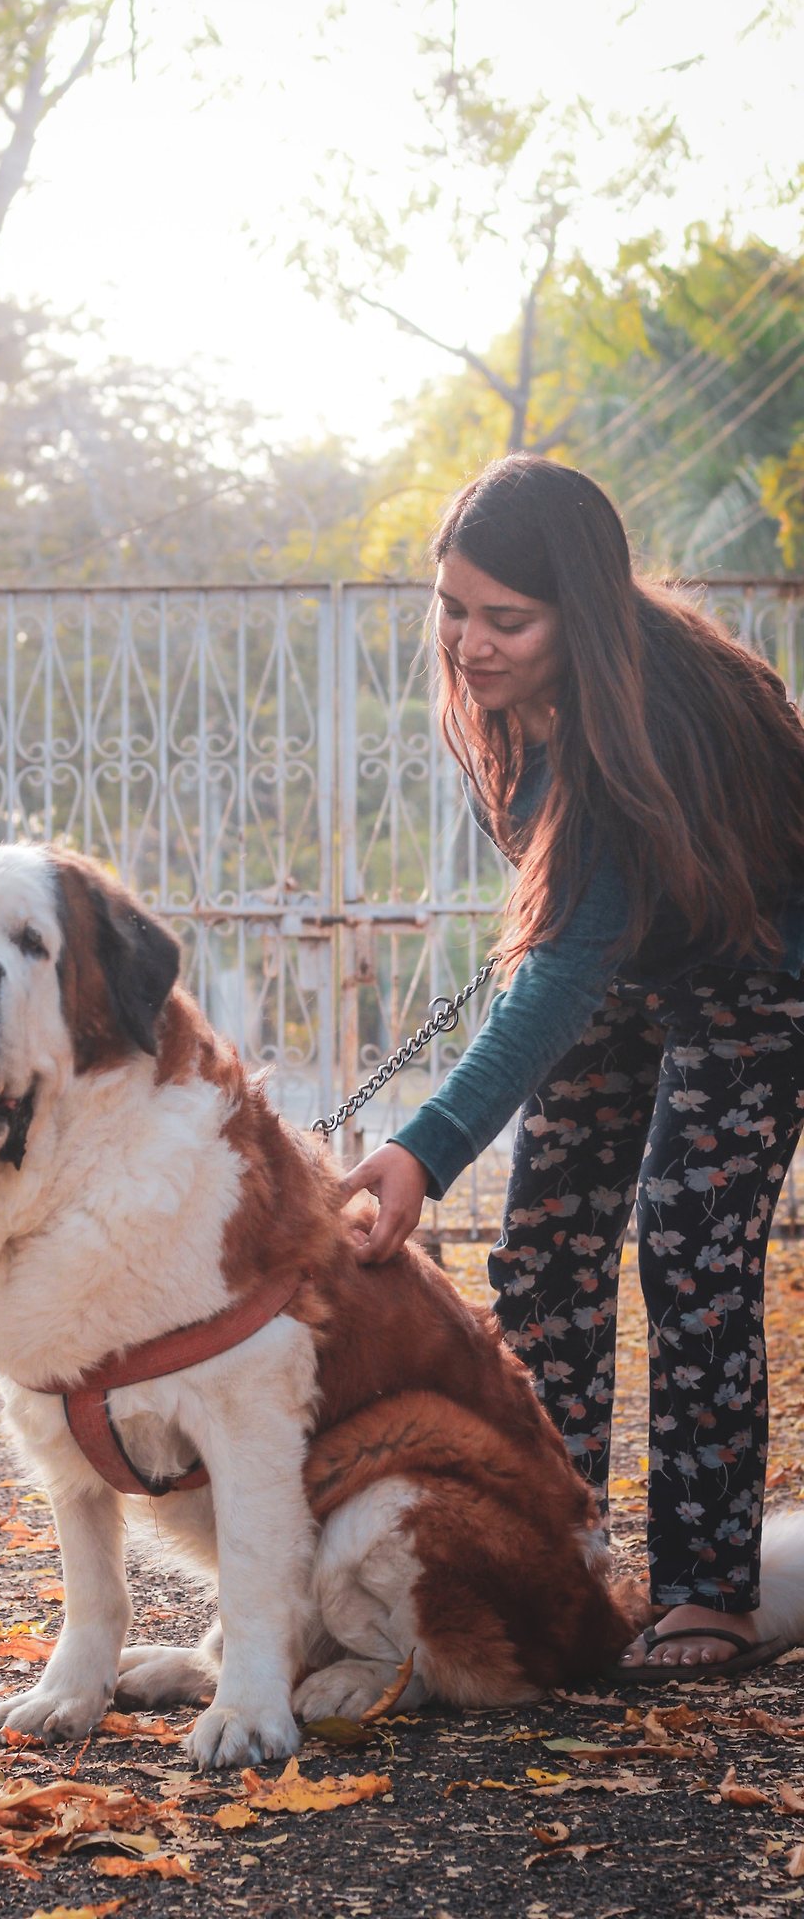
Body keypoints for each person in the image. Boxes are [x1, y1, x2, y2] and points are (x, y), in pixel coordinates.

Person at [339, 454, 804, 1677]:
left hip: (755, 969)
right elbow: (567, 938)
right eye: (452, 607)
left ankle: (710, 1589)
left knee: (687, 1244)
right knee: (543, 1247)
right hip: (630, 963)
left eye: (507, 619)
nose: (471, 643)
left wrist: (420, 1150)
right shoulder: (499, 706)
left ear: (578, 615)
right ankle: (556, 1541)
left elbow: (563, 966)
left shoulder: (641, 716)